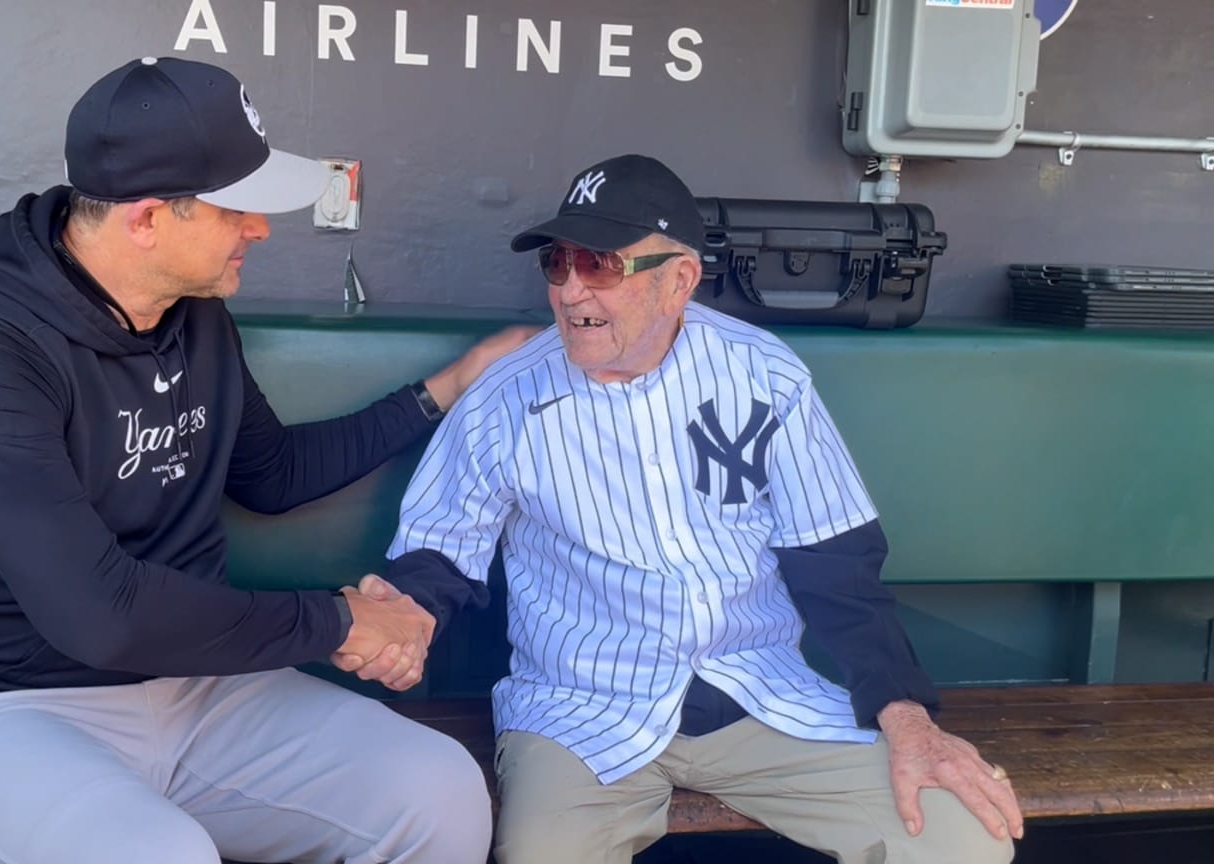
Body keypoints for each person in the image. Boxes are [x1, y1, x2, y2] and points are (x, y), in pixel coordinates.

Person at [0, 56, 534, 864]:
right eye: (238, 210)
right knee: (156, 853)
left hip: (200, 693)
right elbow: (102, 614)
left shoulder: (197, 319)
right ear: (148, 219)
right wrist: (336, 619)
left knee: (438, 791)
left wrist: (448, 387)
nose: (260, 228)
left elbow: (274, 474)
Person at [367, 154, 1024, 863]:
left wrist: (908, 717)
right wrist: (403, 619)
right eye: (558, 263)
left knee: (962, 838)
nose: (569, 289)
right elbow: (439, 552)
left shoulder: (764, 373)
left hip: (761, 698)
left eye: (600, 264)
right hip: (583, 711)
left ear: (678, 281)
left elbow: (839, 567)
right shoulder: (505, 397)